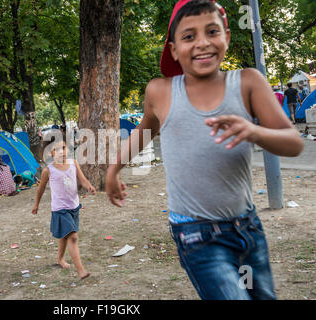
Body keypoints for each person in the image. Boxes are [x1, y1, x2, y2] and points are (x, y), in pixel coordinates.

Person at [106, 0, 304, 300]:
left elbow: (294, 142)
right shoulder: (160, 91)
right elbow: (143, 132)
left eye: (212, 31)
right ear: (173, 49)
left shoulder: (248, 82)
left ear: (226, 34)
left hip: (247, 228)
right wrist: (113, 169)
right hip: (196, 235)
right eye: (188, 36)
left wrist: (254, 131)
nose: (202, 43)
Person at [31, 136, 95, 280]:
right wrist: (36, 204)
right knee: (72, 236)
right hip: (60, 209)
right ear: (51, 153)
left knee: (64, 235)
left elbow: (82, 179)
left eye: (64, 148)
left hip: (74, 207)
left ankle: (60, 259)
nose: (61, 152)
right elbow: (40, 189)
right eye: (56, 149)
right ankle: (81, 270)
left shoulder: (74, 163)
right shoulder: (49, 170)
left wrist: (89, 186)